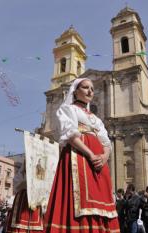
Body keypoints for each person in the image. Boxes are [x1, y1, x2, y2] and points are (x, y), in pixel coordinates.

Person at [44, 78, 119, 233]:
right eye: (85, 87)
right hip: (79, 156)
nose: (90, 91)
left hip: (99, 162)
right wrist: (90, 154)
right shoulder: (68, 109)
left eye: (92, 88)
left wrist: (105, 156)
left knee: (101, 200)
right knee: (81, 196)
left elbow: (105, 141)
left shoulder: (96, 118)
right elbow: (70, 135)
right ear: (75, 91)